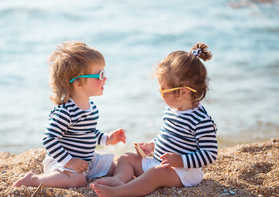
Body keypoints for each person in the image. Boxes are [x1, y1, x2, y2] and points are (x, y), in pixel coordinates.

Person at [91, 42, 218, 197]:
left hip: (183, 172)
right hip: (159, 163)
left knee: (155, 175)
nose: (160, 93)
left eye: (163, 90)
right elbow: (167, 136)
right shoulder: (171, 110)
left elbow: (209, 153)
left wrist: (181, 161)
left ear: (183, 93)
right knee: (127, 158)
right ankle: (119, 180)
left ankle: (121, 192)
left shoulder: (201, 120)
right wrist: (153, 145)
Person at [13, 41, 126, 188]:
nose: (105, 79)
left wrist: (107, 139)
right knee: (78, 181)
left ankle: (117, 180)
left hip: (87, 160)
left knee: (112, 166)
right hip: (62, 162)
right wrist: (69, 161)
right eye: (100, 75)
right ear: (78, 83)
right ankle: (34, 180)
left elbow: (88, 132)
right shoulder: (66, 111)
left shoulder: (91, 106)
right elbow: (49, 138)